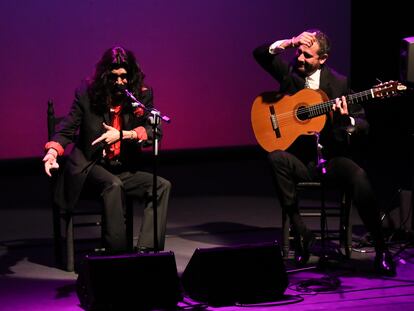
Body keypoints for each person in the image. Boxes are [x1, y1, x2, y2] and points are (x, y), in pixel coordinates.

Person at [253, 29, 396, 276]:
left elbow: (363, 124)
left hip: (330, 160)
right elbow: (259, 54)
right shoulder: (289, 73)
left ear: (323, 59)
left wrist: (347, 120)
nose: (300, 58)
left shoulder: (339, 83)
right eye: (299, 52)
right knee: (275, 158)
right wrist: (289, 42)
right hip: (299, 160)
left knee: (359, 176)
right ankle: (302, 234)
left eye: (307, 56)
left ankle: (382, 248)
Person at [43, 46, 171, 254]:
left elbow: (154, 131)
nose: (119, 82)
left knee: (161, 186)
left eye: (124, 76)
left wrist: (124, 135)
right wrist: (52, 152)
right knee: (113, 185)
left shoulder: (139, 96)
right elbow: (67, 128)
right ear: (105, 76)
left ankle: (147, 252)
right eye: (114, 77)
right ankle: (117, 257)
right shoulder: (87, 93)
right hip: (91, 166)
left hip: (122, 167)